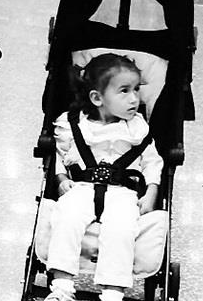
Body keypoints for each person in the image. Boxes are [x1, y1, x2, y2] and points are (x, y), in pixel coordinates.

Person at [45, 53, 163, 301]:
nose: (134, 98)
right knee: (66, 218)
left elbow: (152, 161)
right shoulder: (73, 124)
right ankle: (62, 286)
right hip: (81, 186)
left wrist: (151, 191)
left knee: (121, 228)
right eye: (124, 91)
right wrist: (60, 178)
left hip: (123, 192)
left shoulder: (138, 128)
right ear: (97, 98)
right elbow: (59, 154)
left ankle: (113, 293)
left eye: (136, 89)